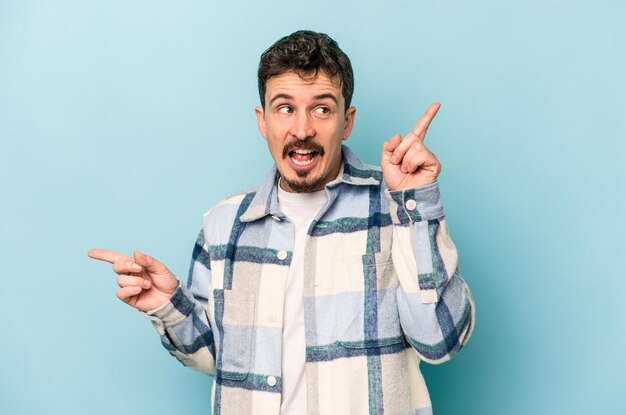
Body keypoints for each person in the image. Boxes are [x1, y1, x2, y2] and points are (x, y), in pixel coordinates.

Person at [88, 30, 474, 415]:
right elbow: (218, 359)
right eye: (285, 108)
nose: (302, 129)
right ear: (263, 120)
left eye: (322, 109)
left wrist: (414, 204)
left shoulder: (397, 207)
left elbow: (440, 340)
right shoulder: (223, 224)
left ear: (347, 121)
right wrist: (170, 307)